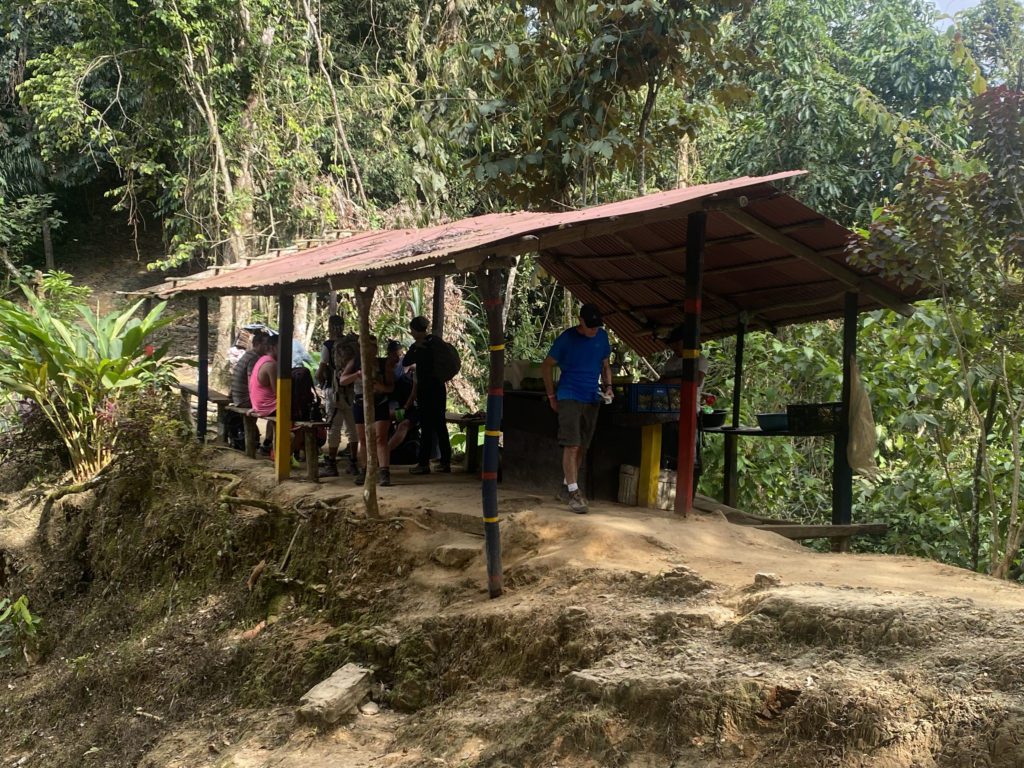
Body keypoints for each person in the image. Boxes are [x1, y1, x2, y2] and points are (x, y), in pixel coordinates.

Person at [541, 303, 612, 515]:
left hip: (592, 396)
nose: (594, 330)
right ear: (580, 321)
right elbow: (546, 365)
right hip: (569, 394)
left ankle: (566, 486)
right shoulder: (567, 339)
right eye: (590, 326)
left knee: (582, 446)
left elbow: (605, 365)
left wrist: (608, 388)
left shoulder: (602, 337)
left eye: (597, 326)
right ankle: (574, 492)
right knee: (571, 445)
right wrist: (552, 395)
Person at [660, 325, 708, 499]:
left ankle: (689, 496)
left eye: (676, 344)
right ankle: (669, 492)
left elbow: (695, 381)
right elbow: (662, 380)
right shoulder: (671, 361)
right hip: (668, 412)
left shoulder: (699, 360)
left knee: (690, 455)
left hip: (688, 412)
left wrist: (669, 381)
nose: (673, 348)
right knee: (668, 452)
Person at [339, 336, 395, 486]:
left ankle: (384, 471)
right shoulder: (355, 362)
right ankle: (365, 470)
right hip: (360, 402)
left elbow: (391, 387)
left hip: (380, 402)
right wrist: (357, 375)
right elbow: (342, 380)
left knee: (380, 438)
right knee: (363, 439)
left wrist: (381, 388)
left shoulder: (384, 364)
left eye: (372, 346)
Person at [401, 316, 452, 474]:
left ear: (415, 330)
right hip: (439, 388)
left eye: (412, 330)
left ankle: (423, 464)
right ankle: (445, 462)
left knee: (427, 427)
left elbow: (405, 362)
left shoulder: (420, 346)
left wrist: (414, 347)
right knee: (440, 425)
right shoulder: (435, 342)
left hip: (427, 390)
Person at [318, 317, 358, 477]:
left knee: (334, 428)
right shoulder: (352, 344)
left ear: (329, 327)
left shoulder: (328, 345)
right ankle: (353, 463)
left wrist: (321, 383)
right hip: (352, 389)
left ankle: (331, 464)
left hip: (334, 389)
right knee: (352, 428)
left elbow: (321, 369)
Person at [228, 329, 269, 449]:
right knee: (276, 408)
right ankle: (268, 443)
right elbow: (252, 381)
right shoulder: (255, 357)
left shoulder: (248, 354)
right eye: (265, 345)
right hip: (244, 399)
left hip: (238, 397)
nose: (268, 348)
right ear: (257, 344)